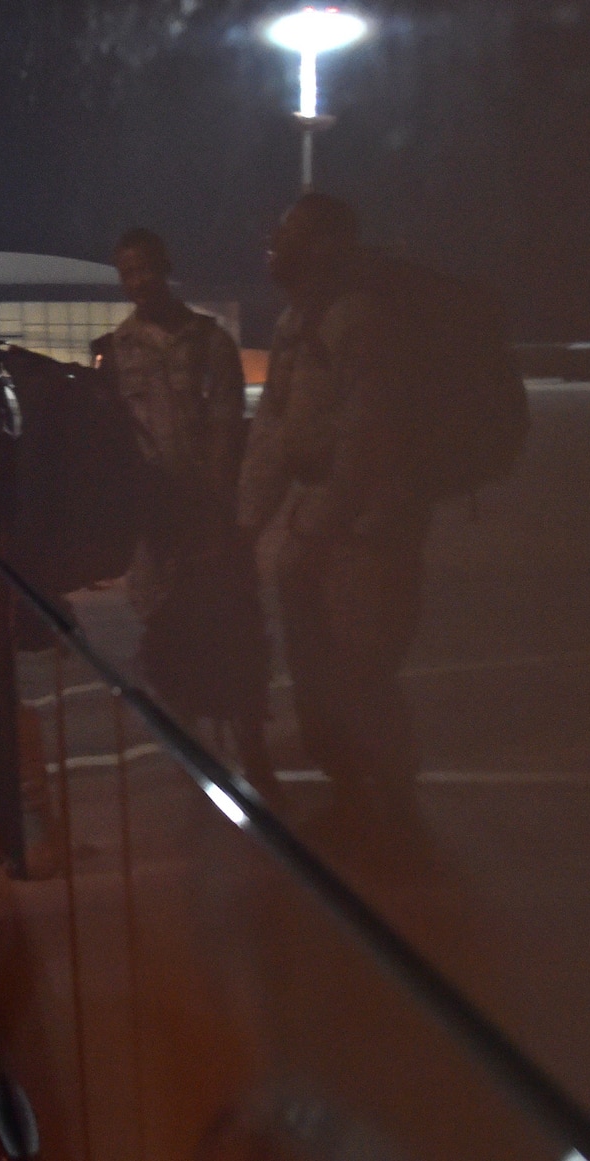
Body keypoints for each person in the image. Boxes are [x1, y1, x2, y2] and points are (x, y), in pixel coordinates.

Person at [239, 194, 429, 811]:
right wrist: (246, 521)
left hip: (367, 529)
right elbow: (273, 430)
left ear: (322, 245)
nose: (278, 242)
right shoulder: (298, 324)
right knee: (314, 663)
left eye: (292, 232)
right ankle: (350, 782)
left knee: (361, 666)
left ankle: (395, 802)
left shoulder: (360, 322)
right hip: (317, 520)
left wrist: (323, 525)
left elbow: (366, 439)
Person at [96, 228, 270, 786]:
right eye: (128, 274)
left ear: (166, 268)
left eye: (147, 270)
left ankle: (253, 745)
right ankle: (192, 753)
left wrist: (218, 516)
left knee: (235, 631)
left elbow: (226, 429)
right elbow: (117, 441)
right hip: (155, 524)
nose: (139, 283)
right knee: (164, 634)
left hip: (208, 516)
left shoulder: (208, 341)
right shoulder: (115, 351)